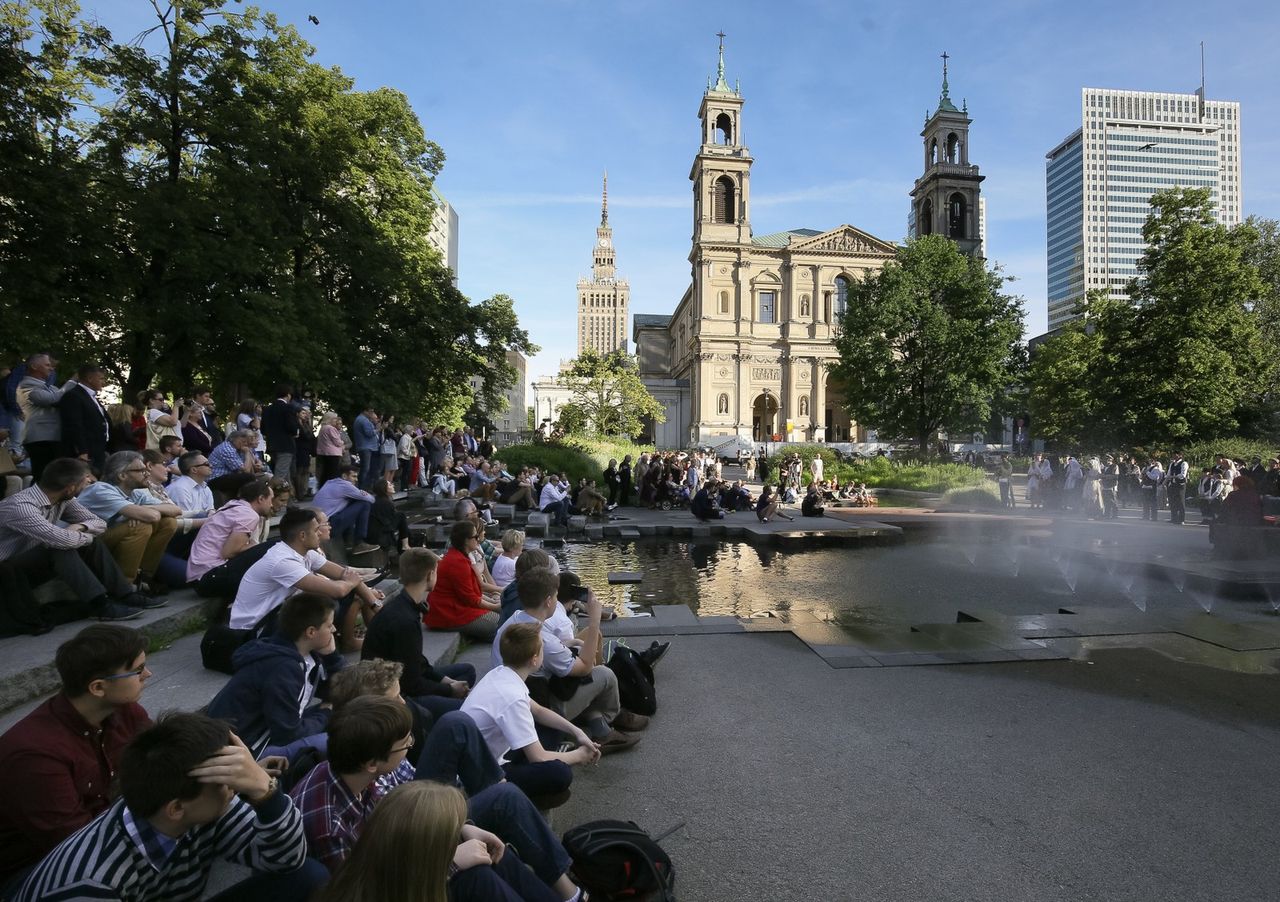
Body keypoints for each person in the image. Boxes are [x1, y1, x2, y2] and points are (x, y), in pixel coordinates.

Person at [11, 712, 324, 902]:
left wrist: (265, 792)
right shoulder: (90, 884)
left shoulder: (201, 806)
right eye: (225, 783)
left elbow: (287, 861)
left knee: (308, 876)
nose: (234, 791)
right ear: (176, 808)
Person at [299, 703, 574, 902]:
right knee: (476, 875)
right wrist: (450, 861)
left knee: (488, 850)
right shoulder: (329, 827)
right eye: (405, 745)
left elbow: (401, 827)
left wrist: (461, 826)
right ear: (372, 763)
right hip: (391, 883)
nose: (410, 748)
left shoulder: (353, 773)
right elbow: (371, 889)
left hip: (400, 855)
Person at [0, 625, 152, 889]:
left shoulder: (127, 712)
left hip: (104, 833)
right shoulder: (34, 755)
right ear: (98, 687)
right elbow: (75, 844)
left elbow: (166, 763)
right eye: (138, 670)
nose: (147, 675)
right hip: (38, 866)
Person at [494, 567, 644, 753]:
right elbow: (585, 668)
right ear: (548, 601)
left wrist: (567, 643)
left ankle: (596, 718)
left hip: (520, 698)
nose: (557, 600)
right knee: (605, 674)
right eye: (556, 596)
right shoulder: (542, 639)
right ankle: (608, 720)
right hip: (540, 708)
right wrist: (594, 620)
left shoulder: (511, 624)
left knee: (579, 652)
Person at [0, 458, 158, 621]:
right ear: (70, 488)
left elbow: (99, 523)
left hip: (27, 561)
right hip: (6, 570)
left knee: (89, 542)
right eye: (86, 479)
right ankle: (100, 606)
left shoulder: (64, 499)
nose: (90, 481)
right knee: (60, 549)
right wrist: (80, 536)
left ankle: (125, 594)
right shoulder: (22, 507)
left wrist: (81, 527)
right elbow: (64, 541)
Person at [463, 622, 601, 804]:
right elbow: (539, 756)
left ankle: (540, 765)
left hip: (492, 753)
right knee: (561, 774)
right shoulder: (512, 697)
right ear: (535, 659)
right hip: (483, 775)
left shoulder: (501, 673)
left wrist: (577, 732)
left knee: (554, 726)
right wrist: (578, 756)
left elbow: (538, 710)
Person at [207, 592, 346, 759]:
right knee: (343, 742)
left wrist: (331, 657)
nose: (334, 629)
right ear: (311, 632)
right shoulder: (283, 668)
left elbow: (339, 691)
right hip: (248, 749)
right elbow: (287, 735)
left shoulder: (304, 654)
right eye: (329, 625)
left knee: (346, 711)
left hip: (269, 732)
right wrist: (325, 714)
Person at [229, 506, 382, 651]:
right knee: (332, 599)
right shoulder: (283, 561)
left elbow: (344, 574)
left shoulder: (304, 551)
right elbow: (338, 590)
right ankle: (345, 644)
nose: (320, 534)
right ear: (302, 536)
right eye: (316, 531)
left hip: (276, 614)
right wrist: (352, 583)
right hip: (254, 630)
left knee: (350, 590)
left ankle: (379, 636)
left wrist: (376, 605)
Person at [362, 548, 476, 719]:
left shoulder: (403, 605)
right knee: (469, 711)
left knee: (467, 671)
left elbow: (416, 661)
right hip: (396, 695)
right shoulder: (404, 620)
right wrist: (449, 689)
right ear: (430, 575)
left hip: (406, 676)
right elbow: (412, 684)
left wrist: (447, 681)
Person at [78, 450, 180, 595]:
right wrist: (140, 512)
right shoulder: (100, 489)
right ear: (122, 475)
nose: (146, 473)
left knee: (168, 522)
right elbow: (152, 517)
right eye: (141, 470)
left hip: (107, 543)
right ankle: (125, 587)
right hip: (85, 547)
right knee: (140, 526)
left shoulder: (135, 493)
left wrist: (138, 510)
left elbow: (175, 510)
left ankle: (144, 579)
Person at [188, 477, 275, 595]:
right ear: (260, 499)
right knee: (274, 545)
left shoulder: (233, 506)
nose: (271, 504)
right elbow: (229, 552)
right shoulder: (248, 514)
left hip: (200, 578)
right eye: (271, 499)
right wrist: (255, 545)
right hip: (210, 576)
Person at [425, 520, 501, 641]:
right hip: (447, 612)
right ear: (466, 540)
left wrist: (494, 603)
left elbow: (474, 593)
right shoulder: (457, 562)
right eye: (475, 537)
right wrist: (495, 606)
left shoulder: (459, 556)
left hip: (454, 607)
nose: (478, 539)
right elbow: (471, 599)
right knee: (501, 624)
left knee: (504, 618)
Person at [15, 352, 72, 482]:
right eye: (47, 365)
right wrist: (72, 382)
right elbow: (52, 399)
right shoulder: (26, 385)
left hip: (52, 438)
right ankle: (33, 502)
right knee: (43, 477)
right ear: (34, 366)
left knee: (53, 477)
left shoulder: (50, 387)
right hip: (40, 438)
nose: (51, 368)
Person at [312, 464, 378, 554]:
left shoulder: (330, 483)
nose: (356, 479)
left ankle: (348, 541)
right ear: (344, 476)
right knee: (364, 504)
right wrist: (364, 494)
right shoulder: (345, 485)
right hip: (328, 526)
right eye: (353, 476)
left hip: (319, 525)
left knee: (351, 502)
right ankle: (359, 543)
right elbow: (371, 499)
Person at [58, 364, 112, 473]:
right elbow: (74, 425)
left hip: (98, 449)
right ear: (90, 378)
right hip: (85, 451)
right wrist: (82, 450)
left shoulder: (92, 397)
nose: (103, 381)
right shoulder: (74, 396)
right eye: (101, 378)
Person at [208, 427, 266, 502]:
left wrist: (257, 461)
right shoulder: (227, 449)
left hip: (227, 476)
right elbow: (246, 470)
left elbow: (252, 463)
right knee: (248, 477)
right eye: (242, 441)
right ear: (233, 439)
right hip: (215, 479)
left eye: (245, 442)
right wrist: (247, 453)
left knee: (261, 476)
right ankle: (249, 502)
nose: (244, 444)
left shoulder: (237, 448)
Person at [352, 405, 380, 490]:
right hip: (366, 447)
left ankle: (364, 487)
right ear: (365, 411)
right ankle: (362, 487)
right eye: (370, 411)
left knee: (366, 468)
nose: (371, 413)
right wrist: (379, 429)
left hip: (365, 447)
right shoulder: (364, 420)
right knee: (366, 469)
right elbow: (370, 433)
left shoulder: (360, 419)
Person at [315, 411, 344, 488]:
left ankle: (322, 488)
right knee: (333, 473)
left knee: (325, 472)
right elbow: (337, 442)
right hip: (333, 453)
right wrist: (342, 442)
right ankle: (332, 489)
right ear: (329, 419)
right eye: (334, 419)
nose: (336, 421)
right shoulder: (330, 428)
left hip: (324, 453)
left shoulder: (323, 428)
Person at [1165, 450, 1189, 525]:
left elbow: (1183, 475)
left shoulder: (1184, 463)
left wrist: (1173, 476)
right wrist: (1165, 481)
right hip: (1172, 484)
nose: (1174, 456)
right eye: (1173, 455)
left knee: (1181, 502)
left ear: (1180, 456)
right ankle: (1174, 518)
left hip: (1180, 485)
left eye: (1176, 455)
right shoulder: (1172, 464)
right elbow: (1168, 474)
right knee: (1172, 501)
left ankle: (1181, 519)